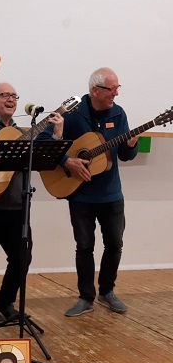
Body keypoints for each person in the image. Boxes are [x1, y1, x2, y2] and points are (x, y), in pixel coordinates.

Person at [0, 48, 63, 324]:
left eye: (14, 96)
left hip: (17, 208)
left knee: (22, 258)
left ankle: (5, 301)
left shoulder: (21, 133)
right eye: (5, 95)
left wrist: (56, 135)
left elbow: (42, 163)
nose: (11, 99)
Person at [57, 68, 138, 317]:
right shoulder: (72, 113)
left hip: (111, 194)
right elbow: (47, 142)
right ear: (95, 90)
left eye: (117, 88)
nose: (116, 93)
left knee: (114, 244)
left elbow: (124, 155)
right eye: (111, 89)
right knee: (84, 246)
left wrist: (131, 145)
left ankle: (107, 291)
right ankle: (85, 297)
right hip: (80, 195)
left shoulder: (118, 113)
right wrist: (67, 161)